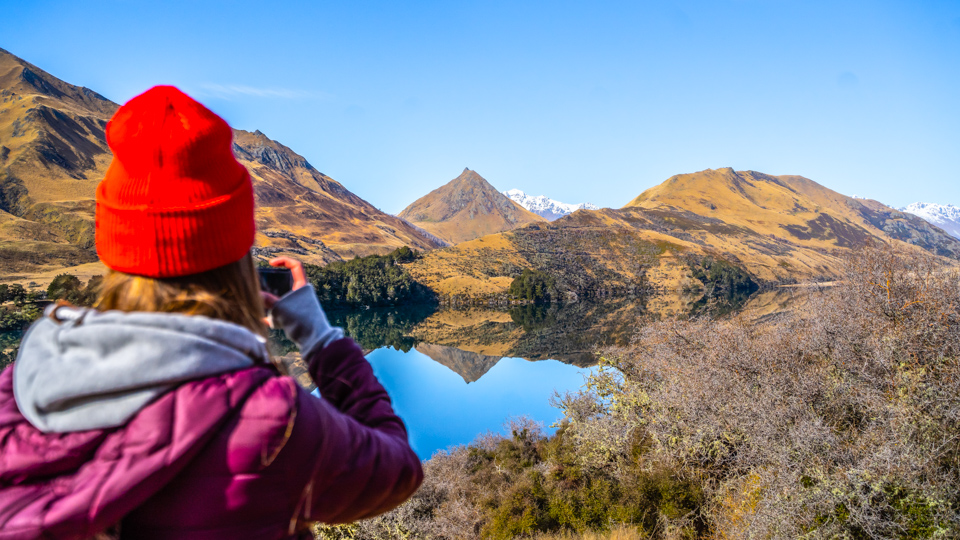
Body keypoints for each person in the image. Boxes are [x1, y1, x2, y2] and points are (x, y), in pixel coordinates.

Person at [0, 86, 423, 539]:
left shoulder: (17, 388)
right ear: (235, 261)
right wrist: (319, 337)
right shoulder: (271, 419)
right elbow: (396, 471)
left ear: (116, 254)